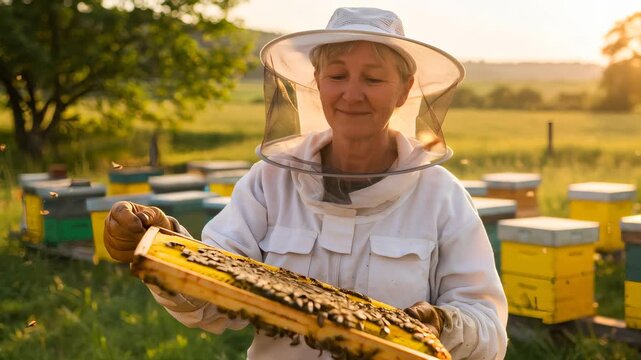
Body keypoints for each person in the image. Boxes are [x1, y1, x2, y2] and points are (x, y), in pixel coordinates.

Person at [104, 7, 508, 360]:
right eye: (337, 75)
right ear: (316, 81)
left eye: (373, 78)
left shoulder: (442, 197)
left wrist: (444, 325)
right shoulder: (270, 181)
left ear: (404, 89)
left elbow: (488, 328)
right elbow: (211, 294)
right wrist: (165, 243)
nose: (352, 93)